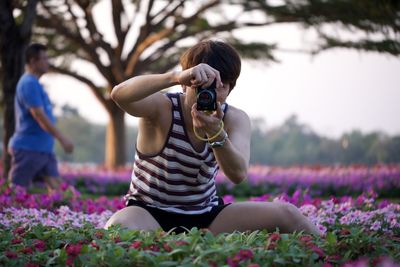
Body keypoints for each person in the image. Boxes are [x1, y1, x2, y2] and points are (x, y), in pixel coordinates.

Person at [105, 40, 321, 236]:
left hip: (207, 216)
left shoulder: (234, 118)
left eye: (220, 86)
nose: (208, 94)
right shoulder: (162, 108)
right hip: (149, 213)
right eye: (201, 84)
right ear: (185, 84)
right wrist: (173, 76)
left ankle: (336, 252)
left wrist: (216, 133)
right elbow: (119, 94)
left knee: (287, 213)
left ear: (229, 90)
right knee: (118, 228)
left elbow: (237, 173)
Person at [8, 43, 74, 191]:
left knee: (58, 191)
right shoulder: (28, 83)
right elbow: (39, 116)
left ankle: (65, 214)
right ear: (32, 61)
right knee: (16, 191)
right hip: (28, 148)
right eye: (44, 58)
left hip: (44, 149)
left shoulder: (35, 84)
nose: (47, 62)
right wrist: (62, 138)